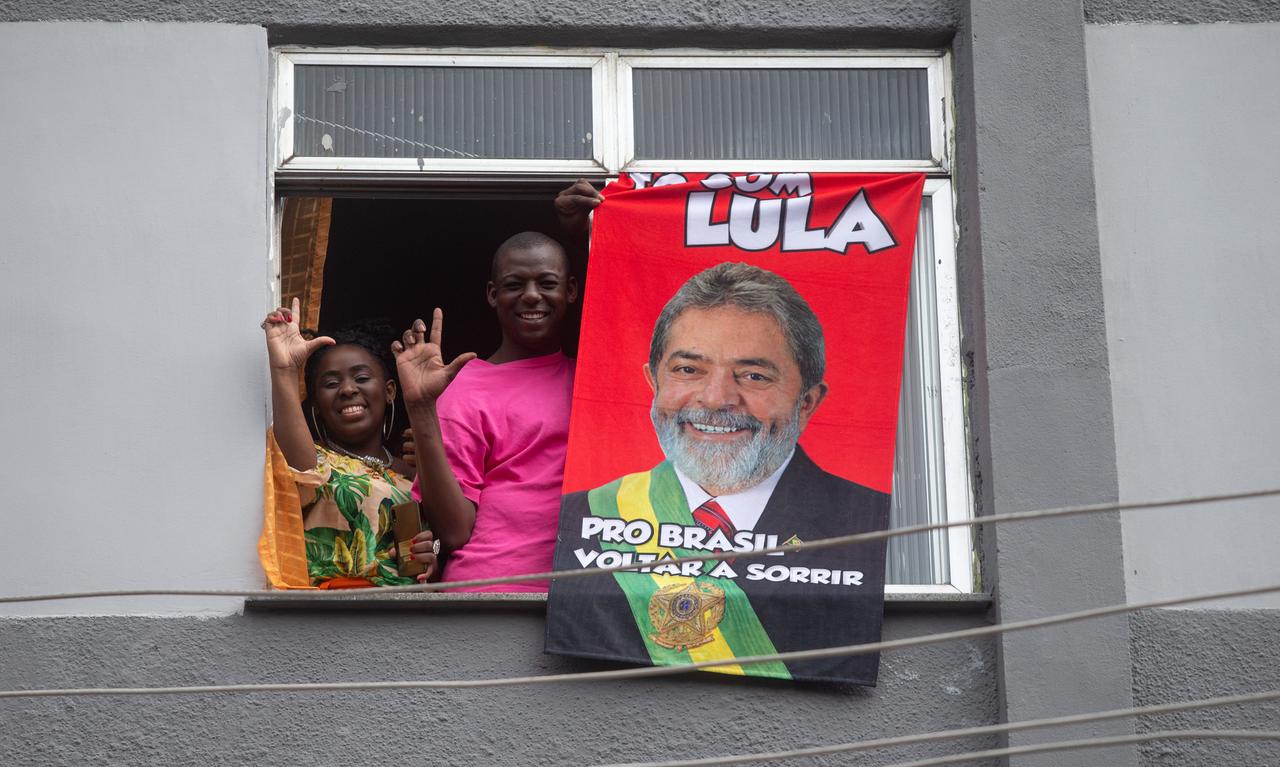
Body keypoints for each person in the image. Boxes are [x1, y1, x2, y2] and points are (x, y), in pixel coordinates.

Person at [546, 262, 890, 684]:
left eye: (753, 375)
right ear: (653, 383)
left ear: (806, 403)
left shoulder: (868, 525)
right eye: (688, 370)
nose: (716, 399)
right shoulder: (585, 517)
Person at [396, 232, 578, 592]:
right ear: (493, 295)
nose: (531, 294)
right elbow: (452, 531)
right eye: (514, 284)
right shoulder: (465, 388)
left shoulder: (594, 381)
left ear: (570, 291)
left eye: (547, 283)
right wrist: (421, 409)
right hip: (489, 593)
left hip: (583, 596)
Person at [263, 298, 438, 588]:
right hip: (329, 618)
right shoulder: (310, 460)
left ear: (389, 391)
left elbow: (446, 543)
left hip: (404, 619)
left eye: (361, 377)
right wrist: (284, 369)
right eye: (331, 384)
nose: (347, 389)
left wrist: (433, 555)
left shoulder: (412, 474)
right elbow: (295, 456)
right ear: (317, 405)